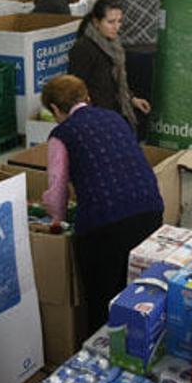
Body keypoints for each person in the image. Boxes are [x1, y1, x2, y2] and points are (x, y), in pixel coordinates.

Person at [41, 74, 164, 334]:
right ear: (87, 97)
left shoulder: (62, 133)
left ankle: (102, 358)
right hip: (150, 208)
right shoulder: (115, 117)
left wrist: (55, 219)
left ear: (54, 109)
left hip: (106, 226)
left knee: (103, 302)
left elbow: (57, 190)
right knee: (142, 294)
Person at [111, 0, 192, 138]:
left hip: (122, 51)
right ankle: (141, 140)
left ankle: (124, 137)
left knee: (126, 97)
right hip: (144, 52)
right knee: (143, 99)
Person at [68, 0, 151, 130]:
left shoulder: (114, 44)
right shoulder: (83, 48)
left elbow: (116, 83)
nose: (116, 27)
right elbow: (75, 87)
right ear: (96, 22)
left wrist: (131, 99)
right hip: (96, 119)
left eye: (119, 21)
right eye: (111, 22)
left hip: (113, 113)